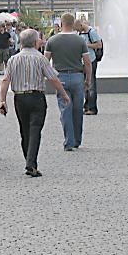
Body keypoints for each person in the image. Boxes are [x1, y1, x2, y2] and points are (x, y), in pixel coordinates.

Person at [0, 29, 70, 177]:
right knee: (35, 130)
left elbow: (6, 80)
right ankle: (31, 163)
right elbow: (53, 78)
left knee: (24, 131)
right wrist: (63, 94)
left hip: (19, 98)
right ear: (35, 42)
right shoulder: (40, 58)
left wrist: (3, 100)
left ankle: (29, 160)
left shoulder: (13, 59)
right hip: (37, 98)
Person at [44, 13, 92, 151]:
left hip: (61, 78)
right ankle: (77, 139)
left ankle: (68, 142)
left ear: (61, 23)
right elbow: (87, 62)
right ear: (73, 24)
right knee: (78, 110)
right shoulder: (80, 40)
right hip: (77, 77)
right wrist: (88, 80)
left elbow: (45, 62)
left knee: (65, 110)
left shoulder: (52, 40)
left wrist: (50, 77)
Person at [75, 19, 103, 115]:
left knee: (91, 84)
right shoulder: (80, 33)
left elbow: (99, 45)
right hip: (82, 61)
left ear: (81, 25)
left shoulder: (92, 32)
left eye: (77, 29)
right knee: (85, 84)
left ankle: (92, 107)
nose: (77, 31)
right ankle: (86, 106)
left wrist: (86, 45)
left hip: (91, 60)